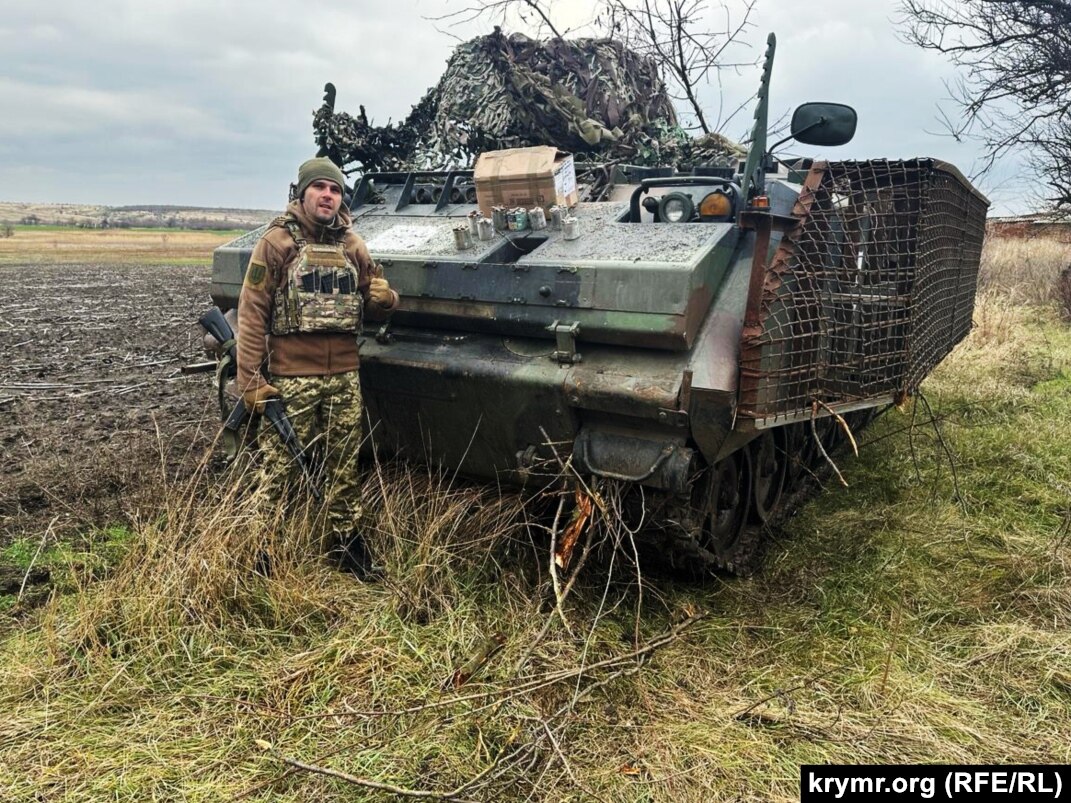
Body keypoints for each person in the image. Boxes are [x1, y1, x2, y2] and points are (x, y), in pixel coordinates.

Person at [236, 157, 398, 577]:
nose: (328, 196)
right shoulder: (277, 243)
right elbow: (252, 312)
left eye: (336, 190)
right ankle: (262, 552)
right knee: (279, 470)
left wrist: (386, 299)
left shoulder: (351, 245)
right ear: (302, 193)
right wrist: (250, 381)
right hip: (293, 379)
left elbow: (372, 298)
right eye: (319, 188)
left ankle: (346, 545)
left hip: (344, 377)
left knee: (344, 467)